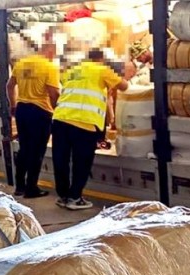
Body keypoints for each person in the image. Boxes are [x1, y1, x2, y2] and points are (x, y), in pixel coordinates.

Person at [52, 48, 129, 210]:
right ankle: (74, 198)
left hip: (60, 119)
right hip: (83, 122)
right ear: (101, 59)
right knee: (82, 161)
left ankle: (63, 196)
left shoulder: (72, 70)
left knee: (61, 160)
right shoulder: (102, 70)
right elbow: (124, 86)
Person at [7, 37, 60, 198]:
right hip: (40, 112)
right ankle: (32, 188)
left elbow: (9, 86)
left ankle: (19, 186)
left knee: (24, 148)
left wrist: (13, 104)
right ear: (49, 51)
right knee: (36, 151)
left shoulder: (22, 63)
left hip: (22, 109)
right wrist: (56, 109)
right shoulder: (49, 67)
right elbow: (54, 93)